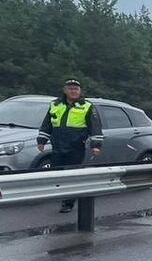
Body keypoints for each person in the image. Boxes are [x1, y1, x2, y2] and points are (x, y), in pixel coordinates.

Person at [36, 79, 104, 212]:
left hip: (76, 147)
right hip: (58, 146)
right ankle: (61, 196)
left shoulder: (86, 106)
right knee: (58, 173)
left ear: (80, 91)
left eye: (76, 89)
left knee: (71, 175)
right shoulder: (55, 104)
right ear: (65, 90)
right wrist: (41, 141)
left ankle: (68, 203)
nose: (73, 91)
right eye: (71, 89)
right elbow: (47, 124)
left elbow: (95, 127)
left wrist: (96, 146)